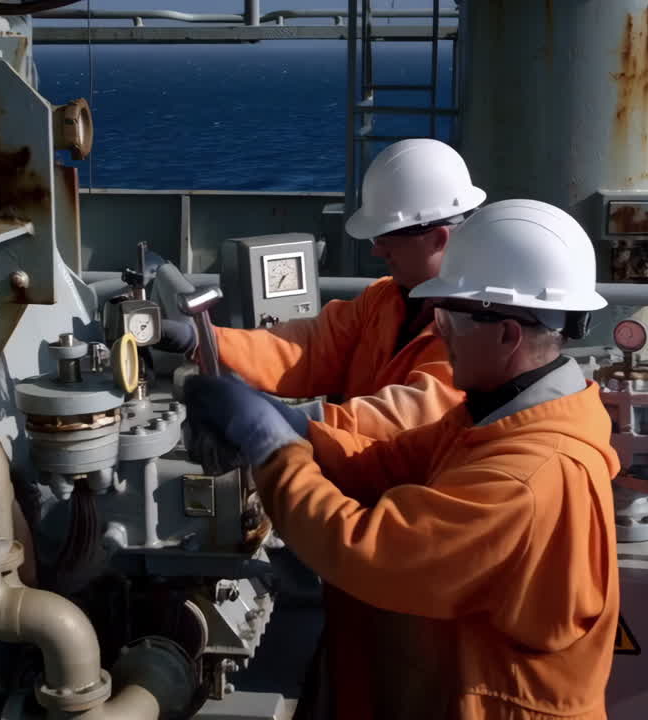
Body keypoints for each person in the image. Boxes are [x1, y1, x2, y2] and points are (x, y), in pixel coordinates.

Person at [184, 199, 621, 720]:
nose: (441, 331)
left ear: (508, 334)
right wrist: (299, 429)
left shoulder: (525, 477)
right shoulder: (501, 417)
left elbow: (365, 550)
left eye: (451, 316)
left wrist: (273, 448)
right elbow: (384, 461)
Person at [156, 137, 486, 441]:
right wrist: (207, 340)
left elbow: (404, 418)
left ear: (437, 238)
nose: (376, 250)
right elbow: (309, 348)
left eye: (387, 237)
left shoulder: (477, 332)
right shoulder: (384, 298)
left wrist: (293, 423)